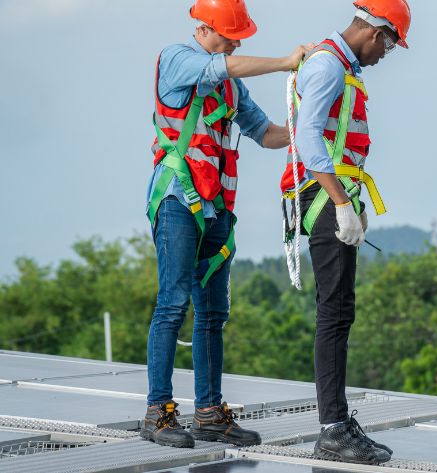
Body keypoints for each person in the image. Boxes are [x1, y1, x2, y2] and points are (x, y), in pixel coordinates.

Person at [142, 0, 311, 449]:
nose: (237, 41)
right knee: (173, 304)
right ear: (209, 28)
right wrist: (284, 63)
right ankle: (157, 412)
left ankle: (209, 414)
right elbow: (221, 67)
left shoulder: (231, 88)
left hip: (215, 210)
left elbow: (268, 134)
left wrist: (307, 126)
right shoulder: (176, 59)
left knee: (213, 313)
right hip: (178, 201)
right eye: (233, 34)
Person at [279, 0, 411, 465]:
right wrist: (339, 203)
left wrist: (350, 203)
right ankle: (333, 428)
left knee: (339, 311)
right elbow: (311, 138)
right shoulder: (330, 67)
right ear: (377, 34)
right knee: (334, 314)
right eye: (389, 46)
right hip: (322, 201)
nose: (384, 56)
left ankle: (336, 423)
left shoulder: (336, 62)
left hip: (332, 200)